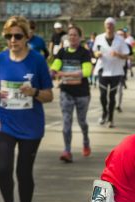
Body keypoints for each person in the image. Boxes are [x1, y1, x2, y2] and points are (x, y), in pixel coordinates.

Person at [0, 16, 53, 202]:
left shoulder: (36, 60)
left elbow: (49, 95)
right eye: (8, 36)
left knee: (23, 172)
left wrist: (34, 92)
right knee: (3, 169)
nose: (13, 40)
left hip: (30, 127)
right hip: (5, 123)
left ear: (27, 37)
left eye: (17, 36)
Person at [50, 25, 92, 163]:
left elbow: (86, 72)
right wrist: (52, 72)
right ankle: (67, 150)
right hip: (66, 92)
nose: (72, 37)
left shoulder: (84, 53)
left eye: (75, 35)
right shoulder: (62, 52)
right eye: (70, 35)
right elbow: (55, 67)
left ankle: (85, 141)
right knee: (67, 122)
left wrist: (65, 73)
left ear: (80, 37)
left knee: (82, 121)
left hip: (82, 94)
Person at [93, 17, 129, 128]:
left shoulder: (120, 40)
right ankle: (104, 112)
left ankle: (111, 118)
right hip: (102, 70)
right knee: (103, 95)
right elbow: (94, 51)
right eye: (107, 24)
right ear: (105, 26)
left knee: (112, 96)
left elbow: (126, 55)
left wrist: (118, 54)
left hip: (116, 71)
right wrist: (97, 54)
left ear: (114, 26)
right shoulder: (99, 38)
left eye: (111, 25)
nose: (109, 26)